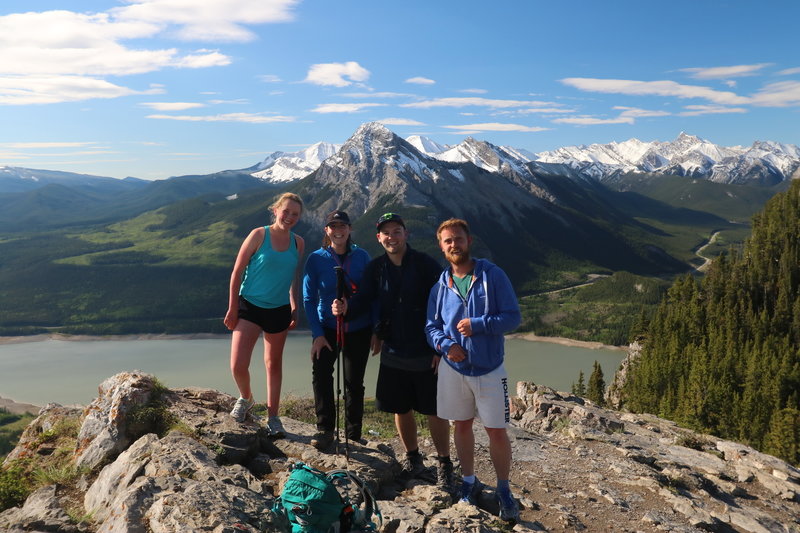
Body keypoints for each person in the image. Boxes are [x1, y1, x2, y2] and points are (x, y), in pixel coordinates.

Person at [332, 213, 453, 487]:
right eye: (386, 233)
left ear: (405, 234)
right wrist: (346, 308)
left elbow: (446, 303)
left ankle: (444, 463)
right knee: (401, 408)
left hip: (426, 350)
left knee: (436, 410)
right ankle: (413, 458)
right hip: (394, 350)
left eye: (396, 231)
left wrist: (442, 347)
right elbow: (363, 299)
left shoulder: (425, 264)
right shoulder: (376, 268)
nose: (391, 237)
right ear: (379, 238)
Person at [425, 218, 521, 521]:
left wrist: (478, 325)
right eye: (448, 241)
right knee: (461, 426)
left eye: (458, 239)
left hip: (490, 369)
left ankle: (503, 489)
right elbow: (431, 326)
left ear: (469, 241)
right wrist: (444, 346)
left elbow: (512, 317)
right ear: (441, 247)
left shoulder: (492, 276)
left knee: (496, 431)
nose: (454, 245)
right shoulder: (441, 285)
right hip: (454, 369)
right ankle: (467, 482)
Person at [224, 192, 305, 438]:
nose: (289, 217)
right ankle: (246, 398)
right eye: (286, 211)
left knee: (273, 365)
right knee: (238, 364)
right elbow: (237, 272)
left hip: (278, 309)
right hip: (249, 305)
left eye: (295, 214)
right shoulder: (259, 235)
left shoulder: (298, 242)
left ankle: (273, 416)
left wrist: (294, 304)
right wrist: (232, 307)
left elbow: (292, 276)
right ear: (275, 210)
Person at [302, 210, 372, 450]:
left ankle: (353, 434)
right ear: (327, 231)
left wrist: (373, 328)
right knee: (321, 376)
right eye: (333, 225)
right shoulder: (316, 259)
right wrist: (317, 334)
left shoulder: (363, 257)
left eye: (342, 225)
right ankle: (325, 429)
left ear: (350, 229)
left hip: (358, 328)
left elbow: (371, 294)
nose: (338, 229)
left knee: (354, 381)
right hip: (327, 328)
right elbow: (308, 298)